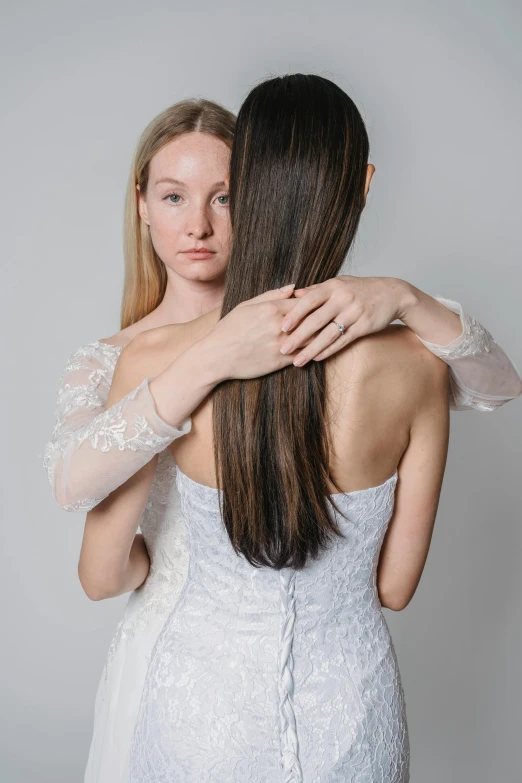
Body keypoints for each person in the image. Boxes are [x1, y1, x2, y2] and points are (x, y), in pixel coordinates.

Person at [43, 97, 521, 781]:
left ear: (255, 193)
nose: (199, 225)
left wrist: (403, 295)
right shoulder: (415, 367)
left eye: (223, 197)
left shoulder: (150, 363)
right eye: (175, 196)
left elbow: (101, 568)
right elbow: (393, 586)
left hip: (197, 704)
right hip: (352, 708)